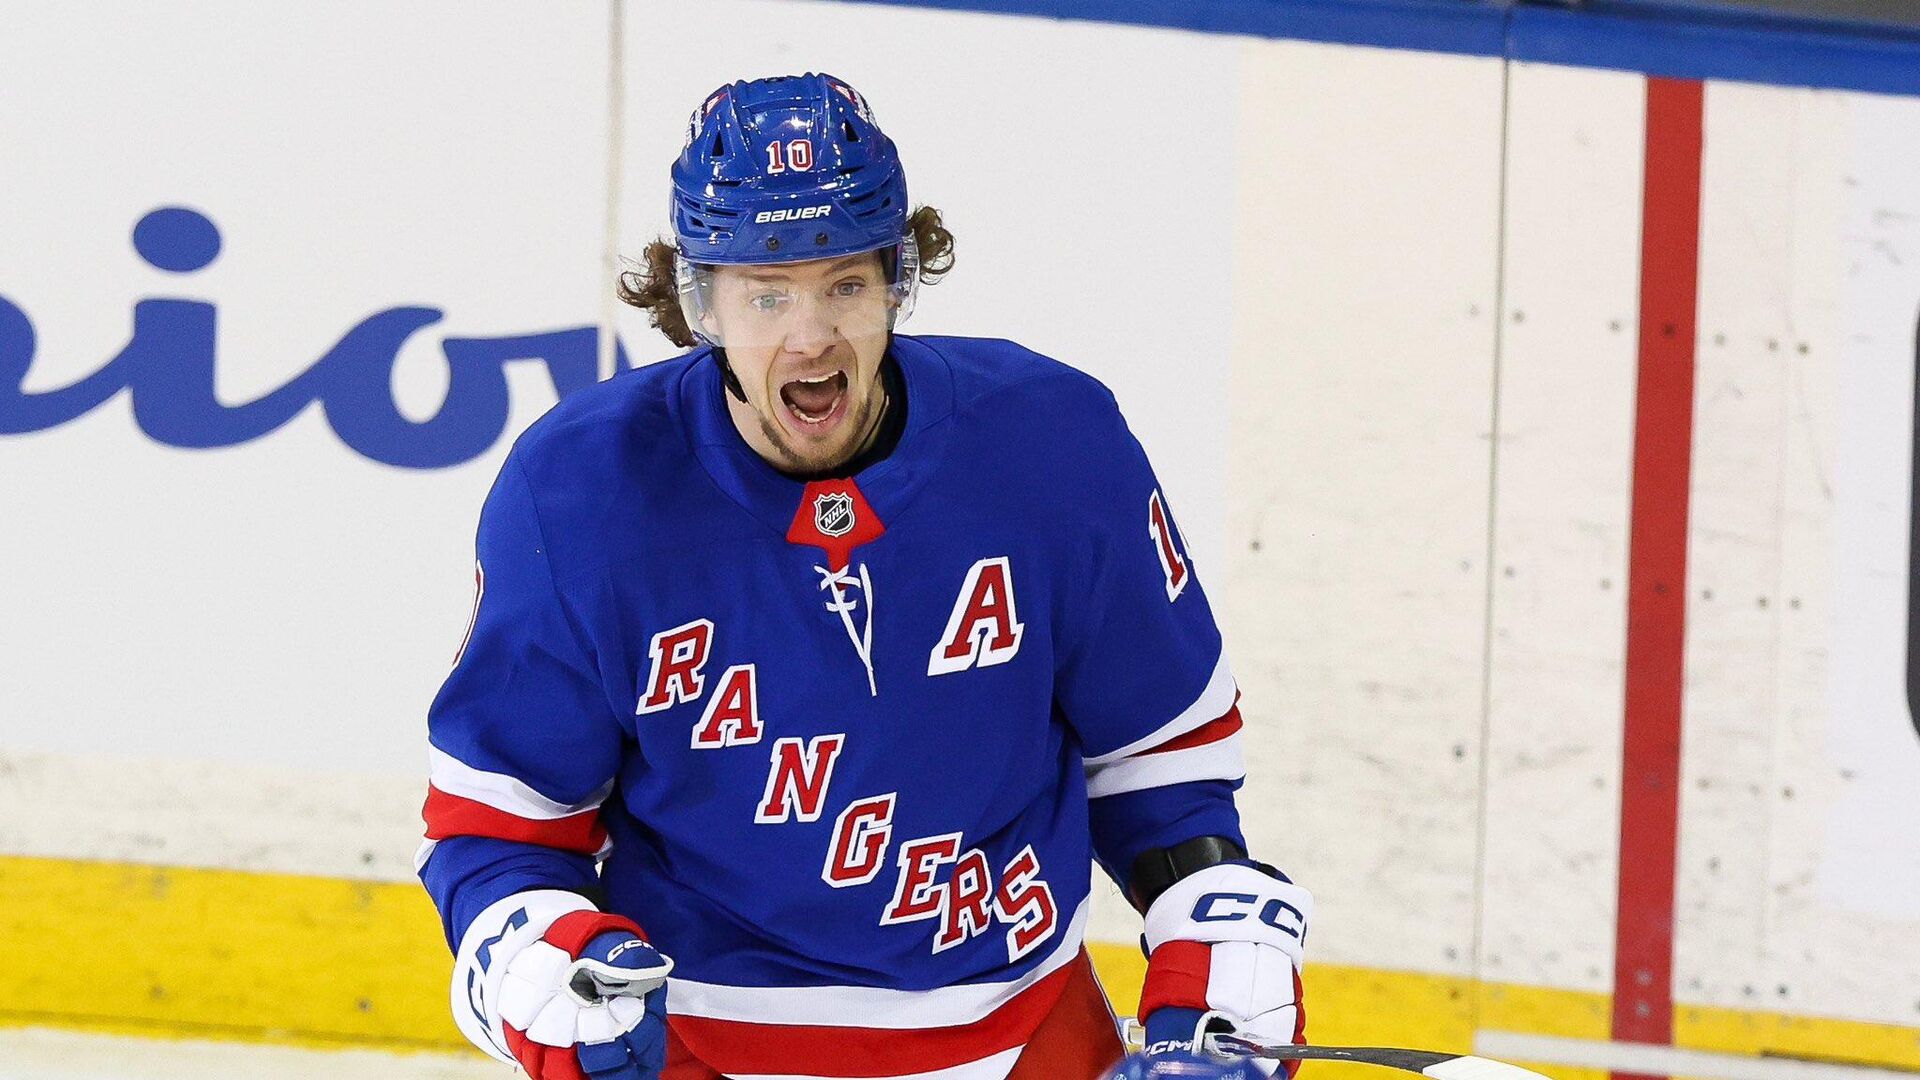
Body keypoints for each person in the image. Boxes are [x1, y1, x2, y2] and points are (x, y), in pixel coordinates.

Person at [416, 72, 1310, 1080]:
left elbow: (1162, 771)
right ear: (697, 301)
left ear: (897, 280)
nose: (810, 338)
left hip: (1023, 1031)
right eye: (766, 294)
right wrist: (547, 977)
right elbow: (497, 832)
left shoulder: (1054, 447)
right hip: (694, 1041)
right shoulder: (581, 493)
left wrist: (1221, 967)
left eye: (844, 284)